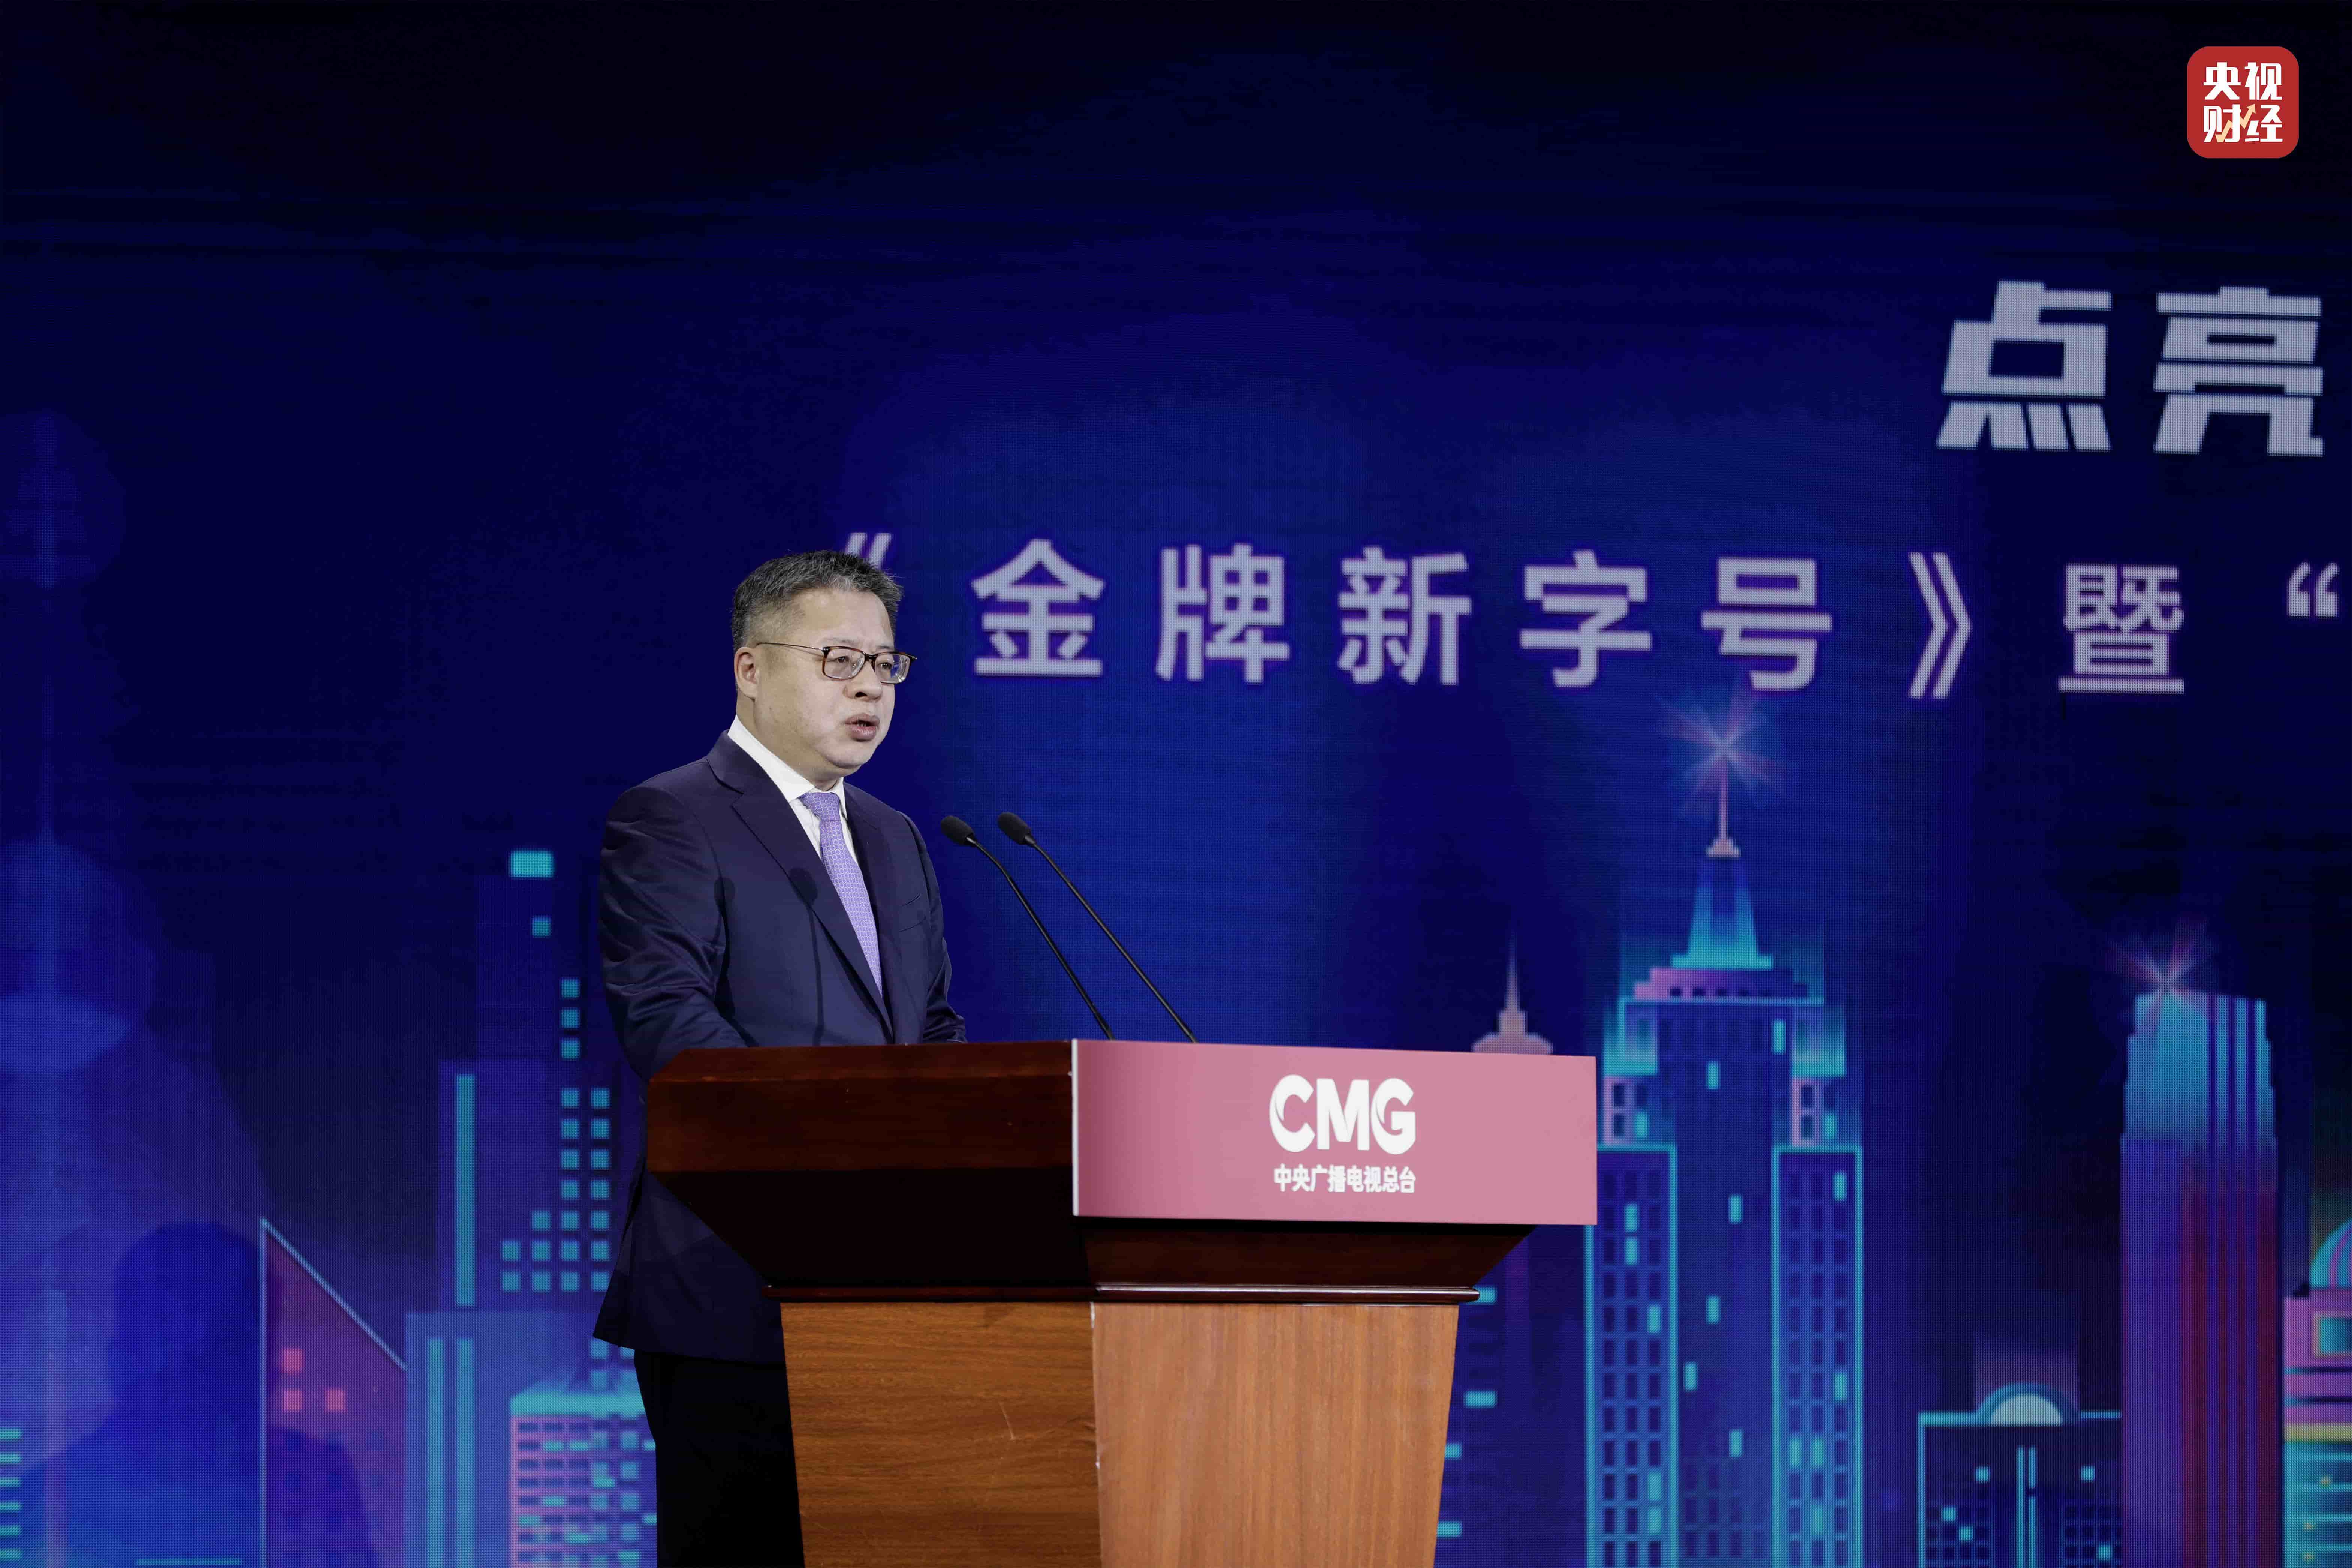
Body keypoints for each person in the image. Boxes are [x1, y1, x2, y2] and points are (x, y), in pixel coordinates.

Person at [593, 550, 964, 1565]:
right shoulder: (673, 816)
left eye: (885, 665)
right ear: (750, 669)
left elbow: (927, 1029)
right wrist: (843, 1147)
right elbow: (668, 1026)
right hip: (736, 1285)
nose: (868, 688)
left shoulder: (894, 837)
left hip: (889, 1290)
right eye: (838, 660)